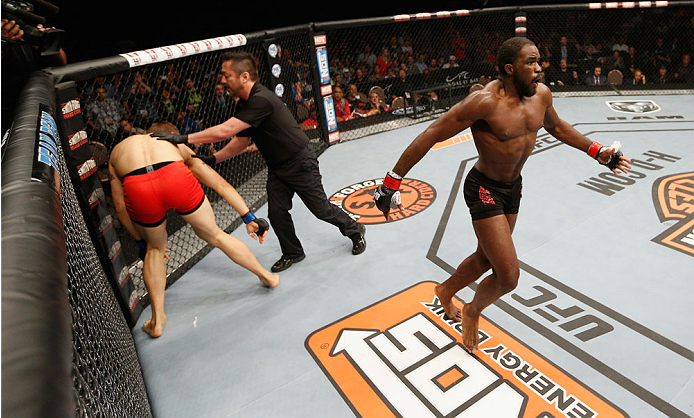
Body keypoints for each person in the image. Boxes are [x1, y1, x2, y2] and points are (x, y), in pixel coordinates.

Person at [372, 37, 631, 354]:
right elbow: (431, 134)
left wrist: (596, 151)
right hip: (484, 188)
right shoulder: (484, 103)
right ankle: (472, 310)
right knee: (508, 276)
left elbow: (558, 127)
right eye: (531, 63)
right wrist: (392, 181)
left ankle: (445, 290)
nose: (539, 68)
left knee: (485, 259)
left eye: (539, 61)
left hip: (513, 187)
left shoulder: (541, 96)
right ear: (510, 68)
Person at [152, 51, 366, 273]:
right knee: (276, 213)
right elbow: (241, 141)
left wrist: (183, 138)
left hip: (300, 162)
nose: (223, 80)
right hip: (278, 167)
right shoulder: (244, 105)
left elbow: (226, 130)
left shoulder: (260, 99)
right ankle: (293, 251)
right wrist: (215, 158)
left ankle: (355, 229)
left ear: (244, 76)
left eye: (227, 75)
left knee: (321, 209)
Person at [108, 123, 278, 338]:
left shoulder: (119, 150)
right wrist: (248, 216)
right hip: (174, 175)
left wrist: (141, 241)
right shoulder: (173, 144)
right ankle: (266, 276)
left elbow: (120, 208)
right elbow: (219, 183)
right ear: (171, 133)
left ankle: (158, 319)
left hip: (137, 184)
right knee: (215, 235)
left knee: (155, 250)